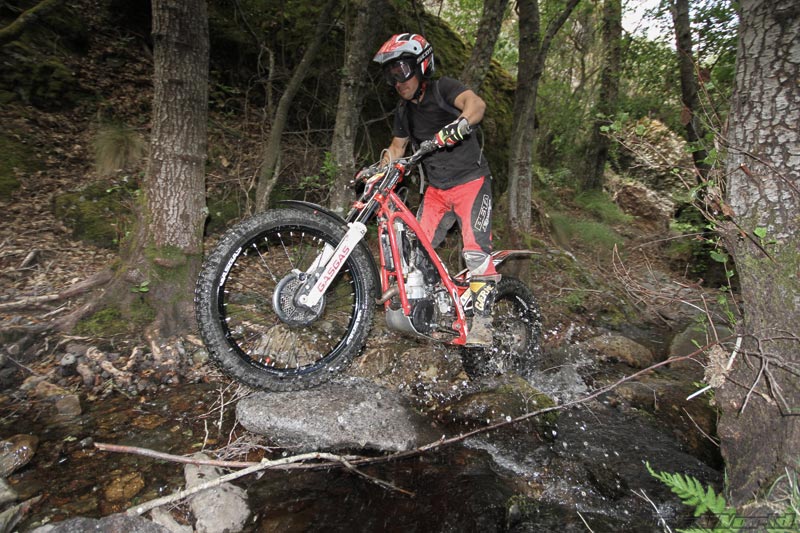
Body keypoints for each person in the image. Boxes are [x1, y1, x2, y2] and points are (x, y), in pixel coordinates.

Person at [373, 33, 499, 347]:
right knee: (415, 252)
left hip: (472, 183)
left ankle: (483, 325)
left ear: (421, 64)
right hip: (436, 192)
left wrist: (462, 123)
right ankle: (430, 309)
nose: (397, 81)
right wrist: (380, 167)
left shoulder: (444, 88)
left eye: (402, 71)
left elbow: (476, 104)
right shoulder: (404, 111)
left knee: (474, 252)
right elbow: (397, 147)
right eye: (392, 75)